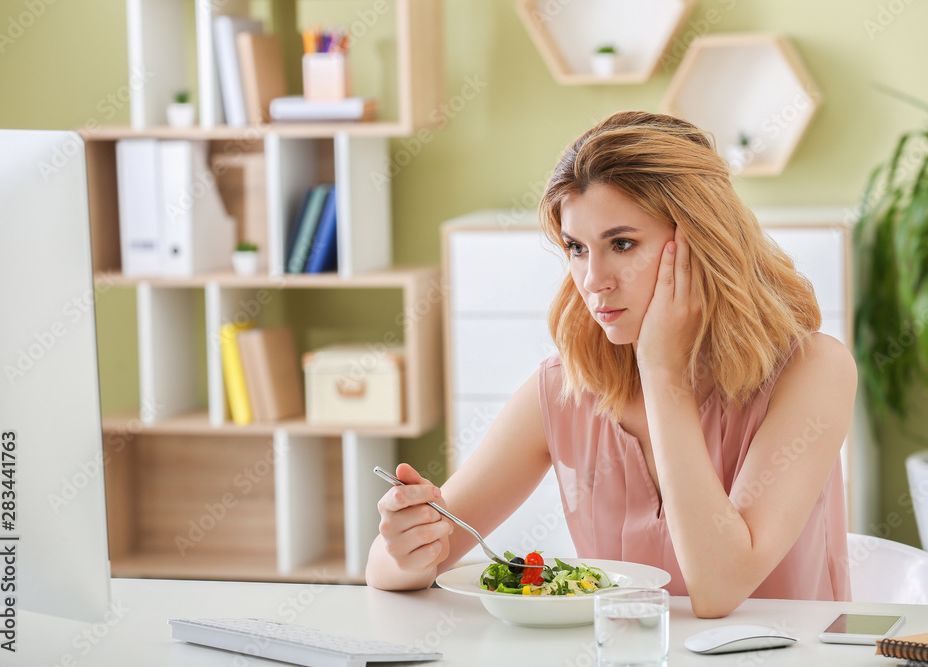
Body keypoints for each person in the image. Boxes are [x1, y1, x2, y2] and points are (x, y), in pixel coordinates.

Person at [366, 111, 856, 618]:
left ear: (701, 241)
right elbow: (392, 566)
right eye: (577, 248)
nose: (593, 279)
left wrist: (663, 375)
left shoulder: (813, 370)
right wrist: (408, 545)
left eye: (622, 244)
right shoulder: (566, 387)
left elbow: (718, 589)